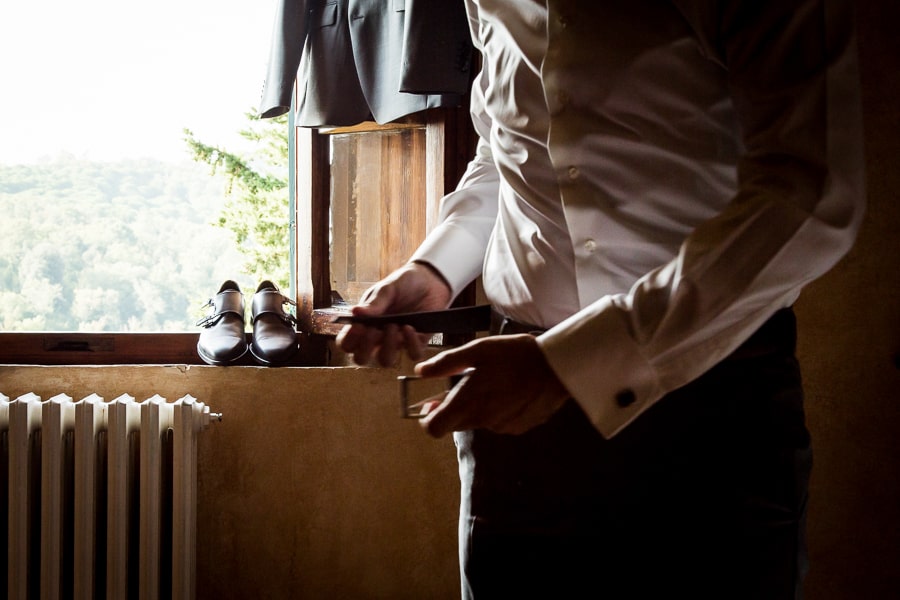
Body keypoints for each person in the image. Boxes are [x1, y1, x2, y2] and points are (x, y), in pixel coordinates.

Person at [337, 1, 865, 598]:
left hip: (713, 409)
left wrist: (573, 365)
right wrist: (436, 267)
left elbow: (811, 192)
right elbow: (503, 151)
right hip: (516, 419)